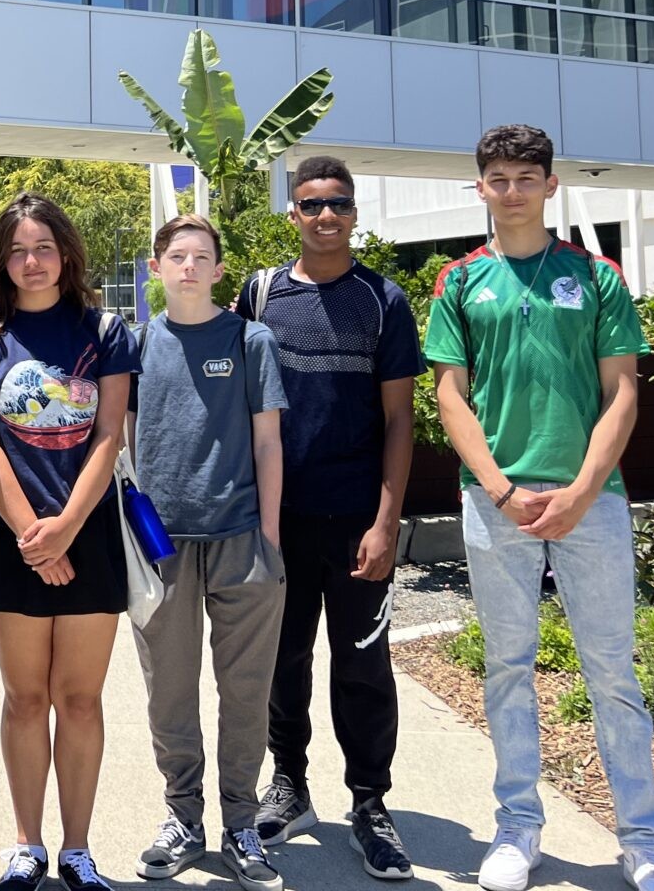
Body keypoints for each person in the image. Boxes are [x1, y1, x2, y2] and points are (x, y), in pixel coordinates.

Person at [427, 125, 654, 891]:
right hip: (495, 504)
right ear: (480, 188)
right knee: (506, 669)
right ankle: (518, 827)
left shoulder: (596, 276)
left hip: (591, 505)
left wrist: (579, 491)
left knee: (613, 672)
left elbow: (622, 393)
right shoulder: (460, 280)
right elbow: (450, 396)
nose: (512, 190)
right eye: (497, 178)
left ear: (550, 186)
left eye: (525, 177)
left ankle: (644, 841)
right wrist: (502, 490)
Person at [240, 156, 422, 879]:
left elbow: (402, 421)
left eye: (339, 204)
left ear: (354, 213)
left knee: (363, 667)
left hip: (355, 523)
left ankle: (371, 803)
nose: (325, 215)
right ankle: (289, 783)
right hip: (277, 523)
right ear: (294, 214)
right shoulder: (260, 295)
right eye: (312, 204)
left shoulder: (383, 300)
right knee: (281, 662)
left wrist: (385, 524)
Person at [0, 195, 138, 891]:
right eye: (16, 250)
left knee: (82, 699)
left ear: (66, 253)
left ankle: (77, 850)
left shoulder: (106, 331)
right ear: (0, 261)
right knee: (25, 698)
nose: (30, 262)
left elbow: (109, 435)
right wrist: (32, 533)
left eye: (42, 247)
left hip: (88, 530)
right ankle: (27, 845)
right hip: (11, 533)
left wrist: (65, 527)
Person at [130, 214, 288, 891]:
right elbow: (125, 440)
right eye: (177, 256)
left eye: (202, 257)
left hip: (241, 539)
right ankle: (184, 819)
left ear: (220, 269)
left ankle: (242, 824)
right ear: (156, 268)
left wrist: (272, 540)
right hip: (161, 546)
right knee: (169, 692)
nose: (189, 266)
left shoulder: (251, 340)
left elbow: (269, 444)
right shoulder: (134, 344)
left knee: (245, 692)